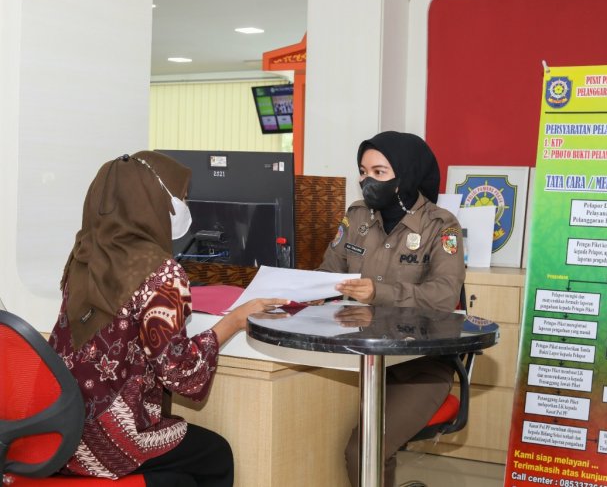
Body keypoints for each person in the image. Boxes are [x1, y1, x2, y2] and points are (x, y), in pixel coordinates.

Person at [48, 150, 289, 486]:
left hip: (57, 432)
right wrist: (234, 320)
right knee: (217, 455)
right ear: (151, 201)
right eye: (181, 196)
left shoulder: (84, 255)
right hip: (109, 440)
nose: (185, 205)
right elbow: (181, 374)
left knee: (182, 471)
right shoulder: (160, 273)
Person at [317, 131, 466, 487]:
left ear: (406, 175)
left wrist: (379, 293)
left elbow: (444, 296)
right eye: (363, 172)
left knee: (362, 451)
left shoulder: (440, 226)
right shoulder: (356, 218)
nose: (368, 181)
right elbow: (327, 274)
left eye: (379, 172)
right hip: (362, 358)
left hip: (419, 365)